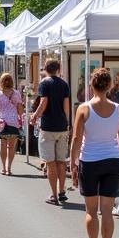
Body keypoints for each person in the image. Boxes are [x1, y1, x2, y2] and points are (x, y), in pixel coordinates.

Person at [70, 67, 119, 238]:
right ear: (110, 85)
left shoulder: (84, 108)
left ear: (91, 85)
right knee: (108, 211)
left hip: (90, 160)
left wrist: (73, 163)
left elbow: (76, 139)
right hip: (113, 159)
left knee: (91, 211)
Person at [30, 58, 70, 205]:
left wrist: (35, 116)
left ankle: (54, 195)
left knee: (50, 163)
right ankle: (62, 191)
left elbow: (44, 102)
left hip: (48, 126)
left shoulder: (44, 83)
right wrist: (66, 122)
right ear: (58, 69)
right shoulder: (64, 84)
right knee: (61, 161)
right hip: (61, 126)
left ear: (46, 69)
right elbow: (66, 106)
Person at [0, 72, 23, 176]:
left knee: (3, 145)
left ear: (1, 82)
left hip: (1, 121)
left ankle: (3, 168)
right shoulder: (16, 94)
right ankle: (9, 168)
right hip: (13, 121)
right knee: (11, 147)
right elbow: (20, 112)